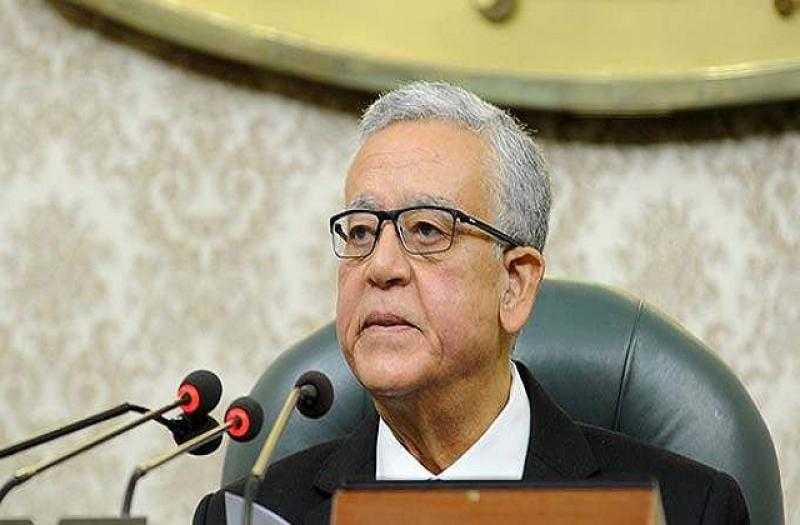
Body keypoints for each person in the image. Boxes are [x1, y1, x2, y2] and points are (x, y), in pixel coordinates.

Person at [194, 81, 749, 524]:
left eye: (427, 230)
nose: (380, 266)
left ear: (515, 284)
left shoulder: (688, 510)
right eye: (361, 231)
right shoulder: (251, 516)